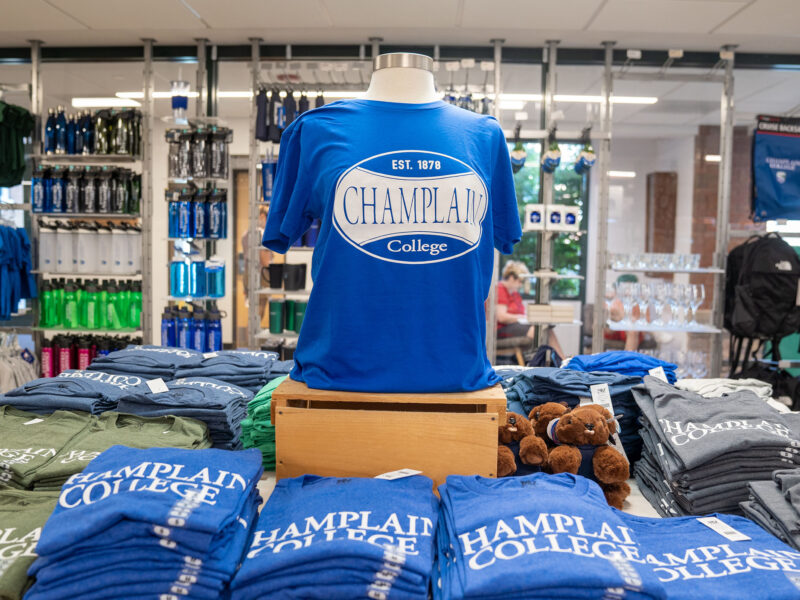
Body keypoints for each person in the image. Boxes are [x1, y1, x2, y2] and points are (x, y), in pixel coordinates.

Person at [496, 261, 565, 356]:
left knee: (546, 328)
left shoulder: (515, 294)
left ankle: (560, 359)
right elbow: (501, 317)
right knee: (538, 330)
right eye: (520, 281)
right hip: (501, 329)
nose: (521, 285)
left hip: (514, 325)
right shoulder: (500, 289)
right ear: (511, 277)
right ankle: (554, 359)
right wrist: (522, 317)